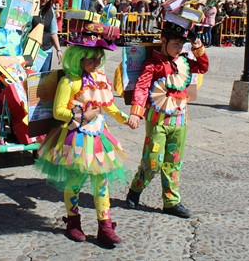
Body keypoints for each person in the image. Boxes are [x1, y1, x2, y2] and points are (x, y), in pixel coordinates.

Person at [34, 26, 135, 245]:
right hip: (75, 138)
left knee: (101, 183)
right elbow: (58, 111)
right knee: (75, 181)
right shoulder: (69, 81)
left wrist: (124, 118)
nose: (96, 64)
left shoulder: (99, 78)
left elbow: (108, 105)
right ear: (79, 58)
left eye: (99, 59)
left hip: (99, 137)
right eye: (91, 59)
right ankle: (73, 221)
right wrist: (83, 115)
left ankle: (105, 226)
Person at [125, 22, 209, 218]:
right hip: (158, 120)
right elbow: (142, 88)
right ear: (164, 41)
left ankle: (171, 201)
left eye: (181, 45)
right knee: (153, 160)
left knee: (174, 161)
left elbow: (203, 66)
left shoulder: (184, 62)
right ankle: (136, 188)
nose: (179, 48)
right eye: (175, 44)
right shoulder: (152, 65)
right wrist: (136, 113)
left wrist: (198, 48)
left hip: (179, 120)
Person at [31, 0, 63, 72]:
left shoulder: (51, 10)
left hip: (46, 51)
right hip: (32, 50)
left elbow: (53, 32)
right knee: (30, 79)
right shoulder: (31, 7)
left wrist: (58, 50)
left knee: (44, 79)